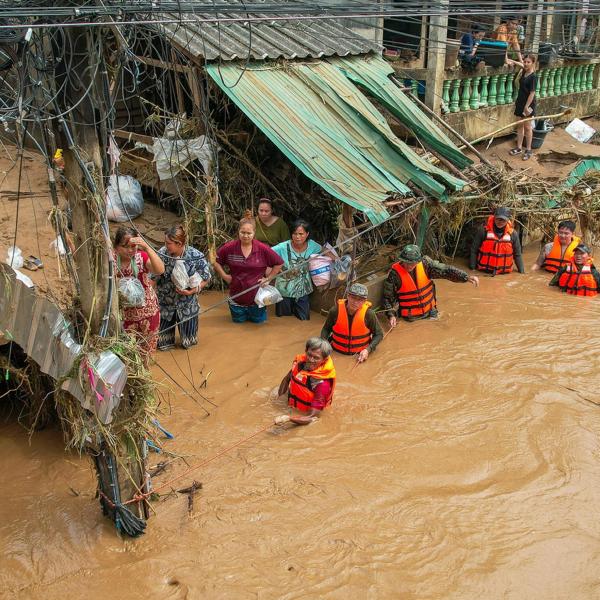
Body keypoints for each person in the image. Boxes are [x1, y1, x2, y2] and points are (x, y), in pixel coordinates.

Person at [383, 244, 479, 325]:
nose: (409, 266)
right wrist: (391, 315)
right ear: (402, 260)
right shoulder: (394, 275)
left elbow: (445, 270)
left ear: (418, 261)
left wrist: (465, 277)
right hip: (411, 317)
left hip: (431, 311)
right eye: (407, 262)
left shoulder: (426, 264)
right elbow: (388, 298)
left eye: (413, 263)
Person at [214, 214, 284, 323]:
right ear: (238, 231)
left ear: (254, 233)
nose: (245, 236)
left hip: (258, 300)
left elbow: (279, 263)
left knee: (259, 326)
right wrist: (224, 276)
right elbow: (216, 261)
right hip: (236, 299)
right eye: (243, 232)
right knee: (238, 328)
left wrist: (268, 279)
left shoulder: (262, 249)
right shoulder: (229, 248)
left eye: (249, 233)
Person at [153, 225, 211, 351]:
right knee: (162, 345)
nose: (166, 245)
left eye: (168, 243)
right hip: (166, 305)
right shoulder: (162, 254)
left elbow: (207, 278)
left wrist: (192, 291)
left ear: (179, 244)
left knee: (189, 345)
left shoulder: (196, 256)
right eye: (165, 242)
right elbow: (153, 277)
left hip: (187, 306)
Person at [113, 227, 164, 360]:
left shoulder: (141, 257)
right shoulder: (110, 261)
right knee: (126, 355)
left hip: (148, 312)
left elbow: (160, 270)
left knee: (147, 354)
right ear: (116, 247)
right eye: (125, 246)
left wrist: (146, 247)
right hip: (124, 317)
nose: (130, 250)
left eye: (133, 246)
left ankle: (145, 377)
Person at [271, 219, 322, 320]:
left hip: (303, 290)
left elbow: (325, 251)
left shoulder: (312, 245)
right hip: (284, 290)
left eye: (301, 234)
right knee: (283, 321)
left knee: (304, 319)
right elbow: (266, 253)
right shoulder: (282, 247)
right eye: (295, 234)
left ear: (307, 234)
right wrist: (270, 273)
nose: (298, 237)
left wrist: (338, 260)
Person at [278, 337, 336, 425]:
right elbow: (286, 379)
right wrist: (280, 399)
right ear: (306, 351)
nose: (311, 360)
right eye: (309, 355)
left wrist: (288, 419)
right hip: (292, 405)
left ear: (324, 360)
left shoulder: (322, 384)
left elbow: (312, 417)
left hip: (304, 414)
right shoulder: (300, 364)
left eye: (316, 358)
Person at [321, 283, 383, 363]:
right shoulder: (335, 311)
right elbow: (326, 329)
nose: (355, 302)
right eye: (353, 298)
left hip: (359, 355)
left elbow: (379, 334)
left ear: (364, 301)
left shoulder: (369, 315)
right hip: (336, 352)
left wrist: (368, 350)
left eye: (360, 300)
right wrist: (323, 345)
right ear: (348, 296)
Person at [470, 207, 525, 275]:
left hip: (504, 275)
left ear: (507, 220)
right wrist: (472, 269)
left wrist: (522, 272)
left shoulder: (513, 234)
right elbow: (474, 250)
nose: (500, 222)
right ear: (494, 217)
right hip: (484, 272)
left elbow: (517, 255)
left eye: (503, 220)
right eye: (498, 219)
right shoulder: (483, 231)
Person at [509, 54, 537, 161]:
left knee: (528, 127)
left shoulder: (533, 76)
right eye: (525, 61)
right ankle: (519, 147)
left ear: (533, 63)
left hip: (528, 105)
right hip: (520, 102)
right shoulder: (524, 71)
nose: (525, 64)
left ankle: (529, 149)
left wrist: (526, 106)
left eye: (528, 62)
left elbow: (532, 93)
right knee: (519, 125)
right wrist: (512, 60)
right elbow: (521, 65)